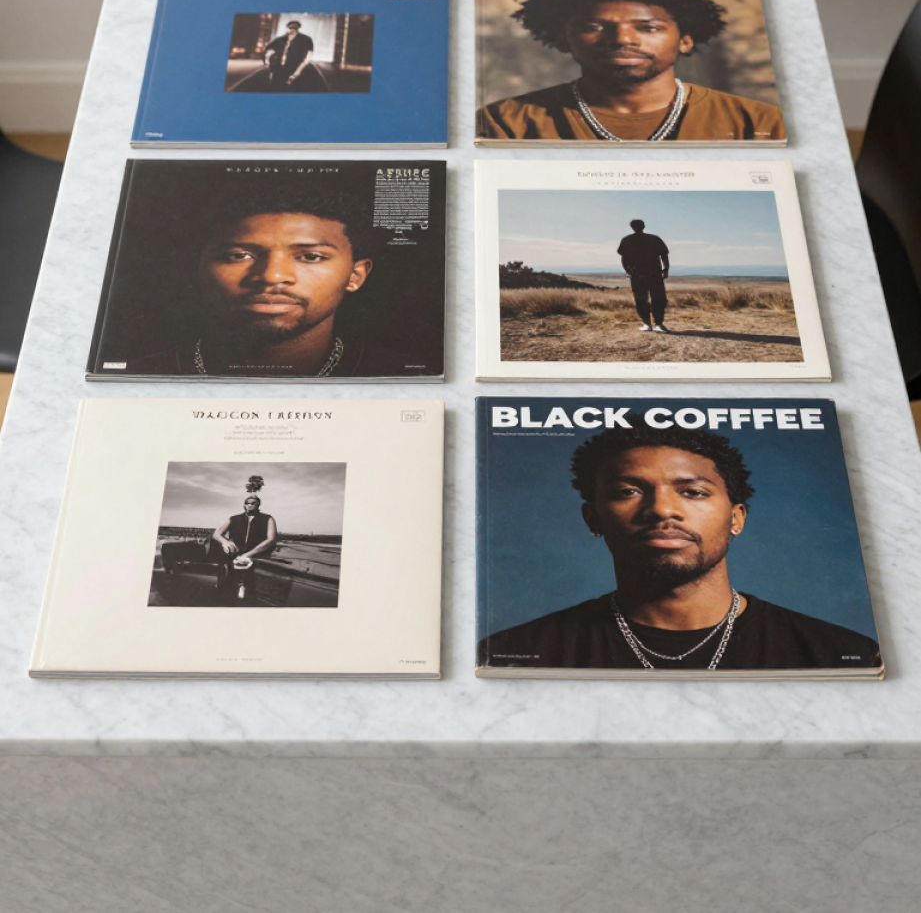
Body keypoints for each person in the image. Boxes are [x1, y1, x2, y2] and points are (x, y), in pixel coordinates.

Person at [478, 422, 882, 672]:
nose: (662, 509)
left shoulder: (840, 654)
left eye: (693, 492)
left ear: (737, 518)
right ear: (593, 519)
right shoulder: (517, 654)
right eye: (628, 491)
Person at [476, 0, 784, 142]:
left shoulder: (760, 122)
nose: (622, 39)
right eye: (594, 27)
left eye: (649, 28)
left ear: (685, 41)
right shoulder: (505, 121)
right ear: (565, 39)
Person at [134, 183, 379, 377]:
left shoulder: (388, 375)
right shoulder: (142, 374)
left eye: (311, 257)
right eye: (239, 255)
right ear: (198, 267)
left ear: (355, 276)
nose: (272, 276)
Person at [212, 492, 278, 604]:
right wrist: (226, 542)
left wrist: (248, 555)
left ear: (258, 505)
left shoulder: (268, 518)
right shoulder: (234, 518)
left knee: (252, 590)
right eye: (247, 503)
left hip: (256, 557)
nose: (250, 505)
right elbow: (216, 534)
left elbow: (270, 539)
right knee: (228, 587)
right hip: (234, 557)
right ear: (244, 505)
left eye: (253, 503)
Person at [618, 218, 670, 331]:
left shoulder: (627, 240)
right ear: (644, 226)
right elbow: (664, 256)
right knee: (656, 299)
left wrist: (628, 271)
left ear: (632, 227)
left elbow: (623, 259)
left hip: (640, 275)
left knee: (642, 299)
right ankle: (657, 324)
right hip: (652, 275)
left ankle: (649, 324)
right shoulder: (654, 239)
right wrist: (666, 269)